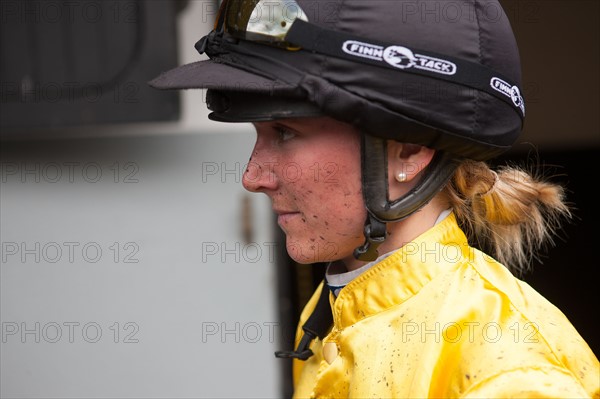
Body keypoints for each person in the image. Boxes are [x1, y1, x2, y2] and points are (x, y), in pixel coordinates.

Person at [150, 0, 600, 397]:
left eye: (284, 132)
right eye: (259, 135)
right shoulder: (338, 306)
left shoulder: (507, 371)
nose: (252, 176)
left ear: (408, 147)